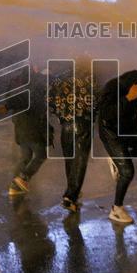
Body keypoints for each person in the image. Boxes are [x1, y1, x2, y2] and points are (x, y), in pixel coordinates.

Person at [96, 70, 137, 224]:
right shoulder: (112, 88)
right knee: (127, 172)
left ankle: (117, 158)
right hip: (111, 133)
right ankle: (116, 210)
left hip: (127, 129)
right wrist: (127, 98)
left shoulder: (135, 86)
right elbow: (106, 114)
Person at [48, 63, 94, 213]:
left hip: (66, 125)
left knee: (70, 160)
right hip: (82, 123)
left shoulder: (59, 79)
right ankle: (71, 196)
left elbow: (49, 99)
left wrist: (60, 114)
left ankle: (72, 192)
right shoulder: (90, 79)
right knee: (80, 162)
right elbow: (96, 102)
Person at [7, 66, 51, 196]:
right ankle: (23, 178)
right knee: (41, 155)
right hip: (32, 126)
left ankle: (14, 186)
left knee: (25, 157)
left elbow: (9, 101)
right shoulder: (35, 84)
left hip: (19, 124)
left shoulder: (15, 83)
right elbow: (39, 106)